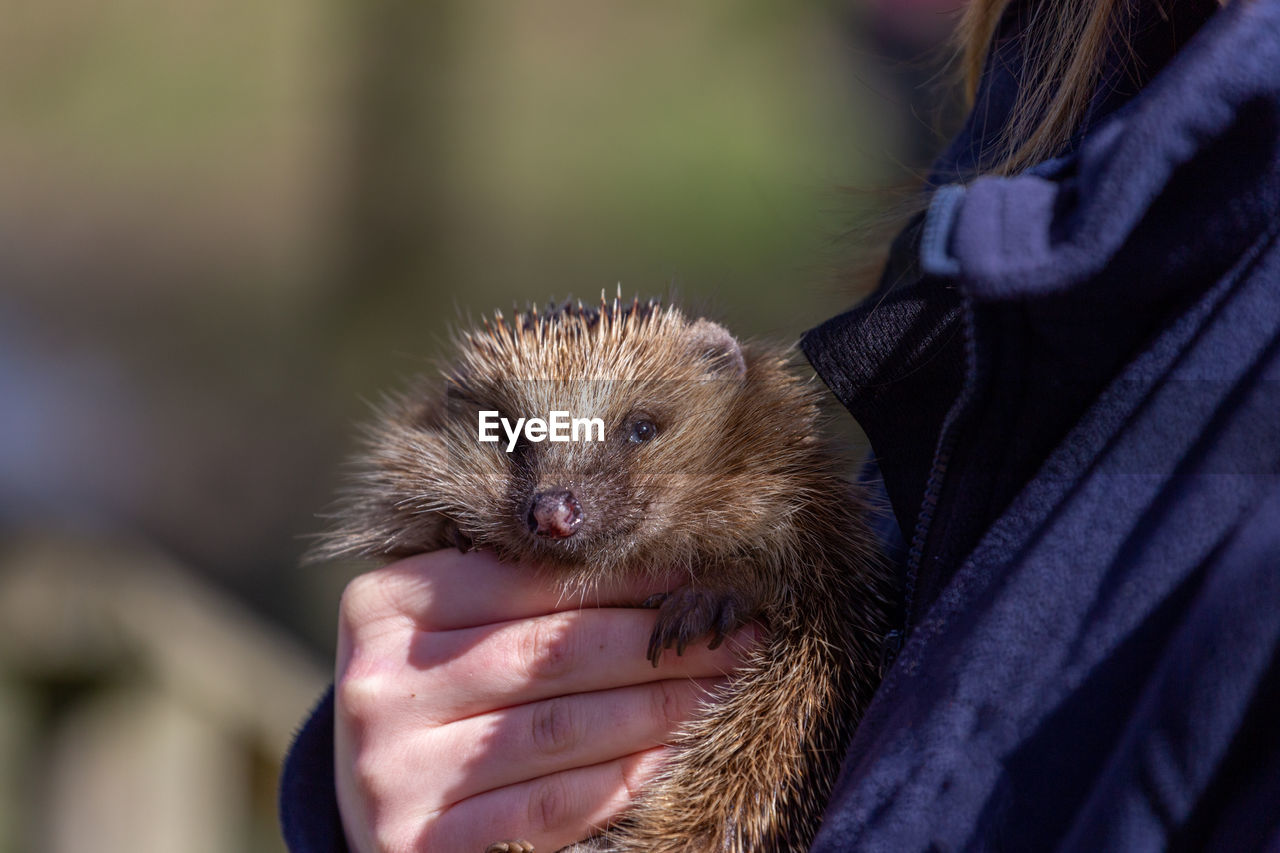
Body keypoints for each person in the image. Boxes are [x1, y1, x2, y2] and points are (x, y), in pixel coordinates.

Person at [280, 0, 1280, 849]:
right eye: (517, 447)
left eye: (637, 434)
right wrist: (405, 780)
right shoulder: (999, 288)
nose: (555, 501)